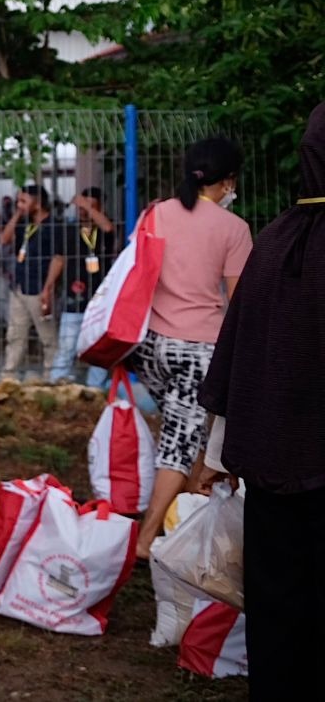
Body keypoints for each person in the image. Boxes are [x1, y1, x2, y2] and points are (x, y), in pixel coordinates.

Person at [197, 104, 325, 698]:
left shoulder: (272, 241)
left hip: (272, 462)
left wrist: (220, 454)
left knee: (277, 598)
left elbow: (235, 357)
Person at [128, 138, 251, 559]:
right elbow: (240, 303)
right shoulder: (234, 229)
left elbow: (134, 273)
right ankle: (146, 541)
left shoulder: (156, 213)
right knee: (179, 444)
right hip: (199, 351)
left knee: (195, 435)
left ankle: (186, 517)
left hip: (150, 348)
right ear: (228, 180)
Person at [0, 185, 64, 381]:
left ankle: (52, 376)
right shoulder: (24, 222)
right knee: (15, 333)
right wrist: (18, 213)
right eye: (18, 201)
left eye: (24, 201)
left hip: (39, 288)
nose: (20, 204)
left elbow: (58, 259)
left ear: (39, 202)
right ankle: (9, 375)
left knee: (48, 336)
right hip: (19, 286)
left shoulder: (54, 226)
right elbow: (5, 239)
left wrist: (48, 288)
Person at [49, 188, 115, 386]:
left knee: (99, 346)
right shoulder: (69, 229)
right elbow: (59, 259)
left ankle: (95, 388)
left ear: (100, 208)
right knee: (67, 344)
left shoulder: (104, 231)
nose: (83, 211)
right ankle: (58, 382)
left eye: (90, 207)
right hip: (73, 296)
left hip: (100, 298)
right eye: (81, 207)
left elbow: (108, 227)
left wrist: (86, 204)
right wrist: (48, 287)